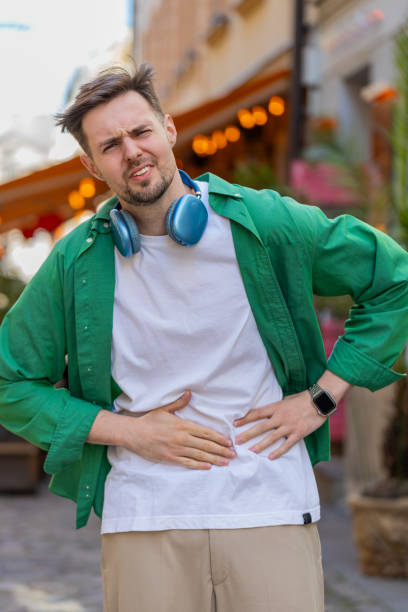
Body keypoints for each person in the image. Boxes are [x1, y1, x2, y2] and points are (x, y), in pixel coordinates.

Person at [0, 64, 407, 612]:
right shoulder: (77, 260)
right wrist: (130, 432)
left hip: (269, 507)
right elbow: (10, 381)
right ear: (91, 165)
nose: (133, 151)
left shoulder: (265, 222)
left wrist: (321, 399)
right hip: (145, 518)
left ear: (168, 129)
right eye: (111, 145)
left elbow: (395, 281)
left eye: (141, 131)